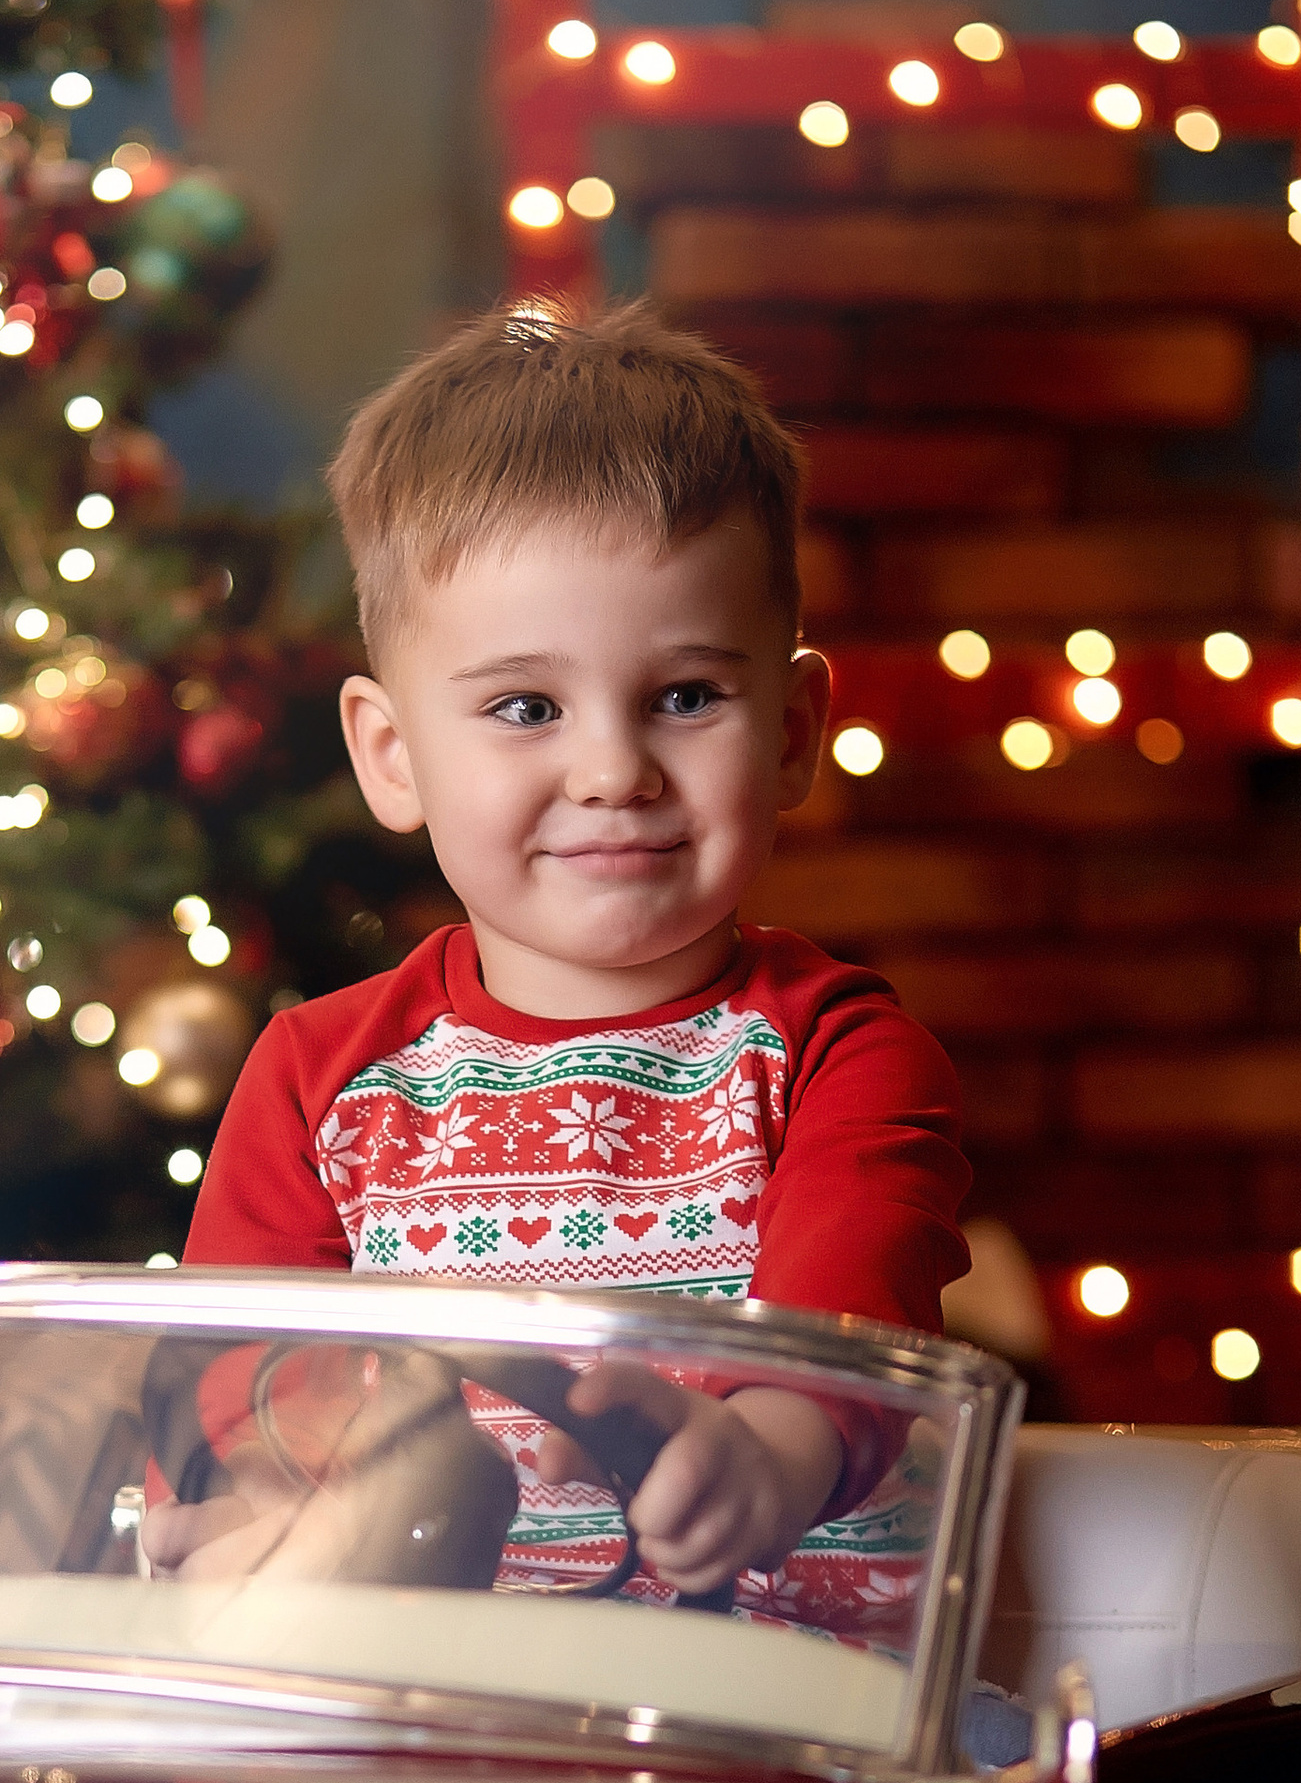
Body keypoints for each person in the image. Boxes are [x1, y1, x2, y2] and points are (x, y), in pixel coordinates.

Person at [159, 301, 970, 1601]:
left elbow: (846, 1329)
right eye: (526, 707)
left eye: (687, 696)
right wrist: (233, 1504)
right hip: (443, 1713)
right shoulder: (319, 1077)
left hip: (765, 1708)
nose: (611, 770)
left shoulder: (837, 1056)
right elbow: (240, 1381)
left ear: (795, 728)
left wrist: (769, 1455)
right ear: (392, 755)